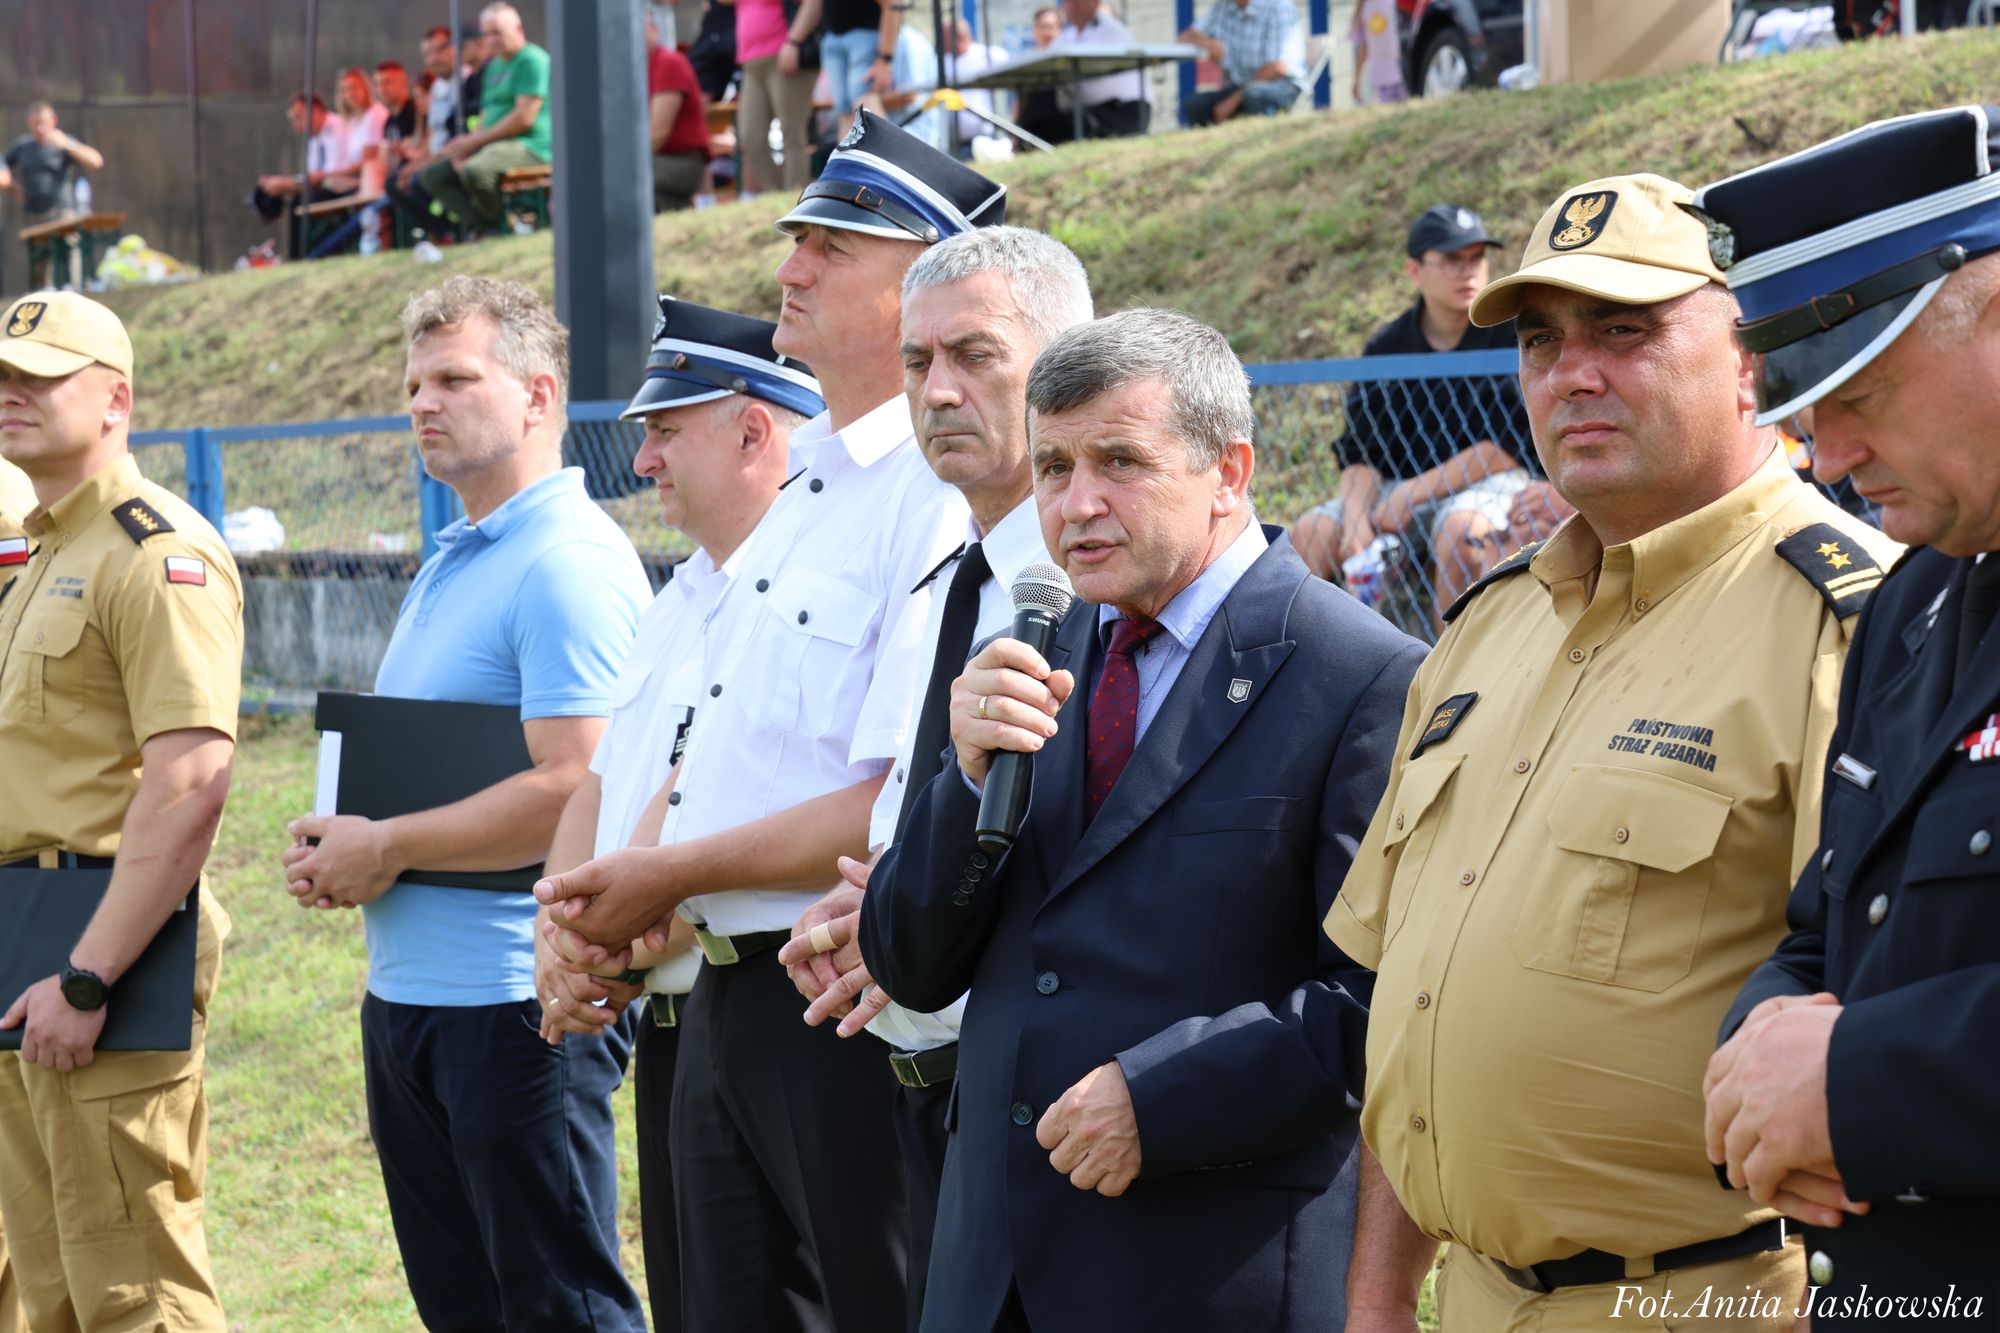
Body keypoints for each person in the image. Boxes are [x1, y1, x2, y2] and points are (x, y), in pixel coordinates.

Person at [1324, 173, 1900, 1333]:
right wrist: (1381, 1294)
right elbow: (1412, 994)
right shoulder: (1483, 627)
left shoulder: (1854, 622)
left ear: (1749, 359)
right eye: (1541, 340)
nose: (1569, 372)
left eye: (1624, 331)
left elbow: (1894, 1031)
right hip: (1469, 1302)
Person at [858, 307, 1421, 1333]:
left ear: (1230, 469)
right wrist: (960, 777)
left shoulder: (1361, 675)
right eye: (1053, 466)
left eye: (1119, 460)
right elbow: (909, 960)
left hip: (1200, 1268)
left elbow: (1384, 999)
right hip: (989, 1272)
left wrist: (1162, 1100)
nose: (1076, 503)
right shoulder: (1036, 647)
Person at [533, 111, 1002, 1331]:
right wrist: (604, 902)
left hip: (835, 996)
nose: (789, 267)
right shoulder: (800, 498)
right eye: (799, 239)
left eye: (831, 246)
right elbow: (690, 761)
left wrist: (656, 878)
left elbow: (899, 797)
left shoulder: (938, 496)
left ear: (924, 285)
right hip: (727, 999)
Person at [277, 276, 651, 1333]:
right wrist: (342, 840)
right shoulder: (460, 554)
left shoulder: (564, 563)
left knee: (558, 1310)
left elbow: (580, 783)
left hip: (515, 1004)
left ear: (538, 397)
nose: (422, 403)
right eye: (411, 385)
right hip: (413, 1003)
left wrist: (386, 844)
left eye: (454, 378)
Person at [1696, 105, 2000, 1327]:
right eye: (1805, 412)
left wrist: (1856, 1082)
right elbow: (1829, 925)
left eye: (1860, 391)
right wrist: (1758, 1048)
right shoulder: (1916, 599)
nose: (1827, 457)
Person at [775, 225, 1095, 1331]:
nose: (938, 391)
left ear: (1064, 363)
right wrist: (875, 902)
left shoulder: (1090, 592)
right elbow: (916, 801)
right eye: (917, 364)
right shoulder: (946, 569)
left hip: (1032, 1097)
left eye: (976, 356)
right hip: (910, 1079)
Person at [539, 297, 825, 1333]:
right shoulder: (678, 598)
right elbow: (603, 783)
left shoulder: (806, 582)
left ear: (754, 430)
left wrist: (626, 903)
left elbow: (717, 790)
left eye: (665, 431)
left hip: (771, 998)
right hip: (665, 1015)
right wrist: (559, 931)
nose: (644, 461)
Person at [0, 291, 242, 1333]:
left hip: (98, 947)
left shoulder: (154, 552)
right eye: (5, 375)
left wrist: (91, 973)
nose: (13, 394)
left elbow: (190, 777)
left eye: (42, 376)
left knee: (133, 1287)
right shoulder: (43, 549)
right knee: (49, 1282)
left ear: (115, 399)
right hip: (26, 942)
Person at [1292, 204, 1563, 622]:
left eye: (1476, 258)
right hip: (1398, 489)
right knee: (1313, 532)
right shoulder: (1388, 346)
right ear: (1415, 271)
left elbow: (1510, 446)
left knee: (1460, 529)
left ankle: (1453, 673)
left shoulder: (1510, 334)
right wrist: (1356, 520)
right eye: (1452, 260)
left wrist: (1412, 493)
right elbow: (1361, 451)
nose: (1468, 271)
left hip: (1492, 482)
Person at [417, 2, 552, 234]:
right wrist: (467, 145)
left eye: (497, 32)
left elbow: (523, 118)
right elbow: (485, 116)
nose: (492, 40)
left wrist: (476, 143)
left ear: (518, 28)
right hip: (493, 145)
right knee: (433, 176)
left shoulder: (532, 60)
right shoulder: (494, 68)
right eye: (488, 34)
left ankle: (505, 226)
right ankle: (487, 227)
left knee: (477, 170)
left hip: (530, 146)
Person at [4, 103, 106, 290]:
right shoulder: (23, 146)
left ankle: (76, 291)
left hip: (63, 211)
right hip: (34, 214)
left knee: (70, 253)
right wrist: (14, 188)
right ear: (29, 123)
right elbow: (3, 164)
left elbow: (96, 161)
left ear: (53, 121)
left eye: (43, 122)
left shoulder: (64, 142)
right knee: (40, 262)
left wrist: (67, 145)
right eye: (36, 123)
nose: (40, 127)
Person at [734, 0, 817, 194]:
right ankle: (776, 198)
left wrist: (794, 41)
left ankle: (794, 197)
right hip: (751, 61)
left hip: (784, 54)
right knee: (750, 138)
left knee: (792, 134)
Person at [249, 94, 345, 259]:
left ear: (316, 110)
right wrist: (281, 185)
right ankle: (299, 257)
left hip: (342, 189)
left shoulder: (337, 127)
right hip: (325, 188)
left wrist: (285, 183)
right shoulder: (315, 138)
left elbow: (324, 178)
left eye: (299, 118)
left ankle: (301, 257)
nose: (297, 126)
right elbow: (311, 177)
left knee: (302, 201)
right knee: (296, 200)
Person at [1178, 0, 1301, 126]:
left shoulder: (1279, 6)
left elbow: (1277, 67)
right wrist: (1206, 42)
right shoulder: (1223, 6)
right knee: (1194, 104)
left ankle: (1265, 140)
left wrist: (1232, 102)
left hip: (1283, 85)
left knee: (1254, 95)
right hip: (1240, 85)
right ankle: (1212, 143)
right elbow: (1183, 39)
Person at [1052, 0, 1150, 139]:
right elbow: (1052, 57)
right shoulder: (1068, 33)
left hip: (1123, 110)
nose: (1072, 6)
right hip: (1090, 110)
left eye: (1077, 1)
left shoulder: (1110, 27)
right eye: (1067, 2)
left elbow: (1078, 63)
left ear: (1094, 3)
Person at [647, 16, 714, 211]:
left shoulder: (668, 63)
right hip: (658, 161)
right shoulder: (635, 69)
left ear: (654, 30)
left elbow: (657, 135)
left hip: (682, 162)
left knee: (618, 178)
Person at [939, 18, 1012, 150]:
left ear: (959, 37)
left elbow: (1016, 72)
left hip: (984, 139)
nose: (941, 41)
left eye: (944, 37)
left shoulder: (989, 54)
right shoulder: (942, 61)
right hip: (953, 143)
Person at [1015, 7, 1068, 146]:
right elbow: (1020, 100)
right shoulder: (1026, 61)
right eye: (1042, 26)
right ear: (1034, 29)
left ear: (1059, 30)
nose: (1046, 32)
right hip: (1031, 128)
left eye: (1050, 27)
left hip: (1062, 126)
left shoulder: (1066, 59)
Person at [1350, 0, 1406, 104]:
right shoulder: (1362, 10)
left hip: (1402, 77)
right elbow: (1363, 49)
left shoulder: (1396, 3)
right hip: (1381, 82)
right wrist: (1356, 81)